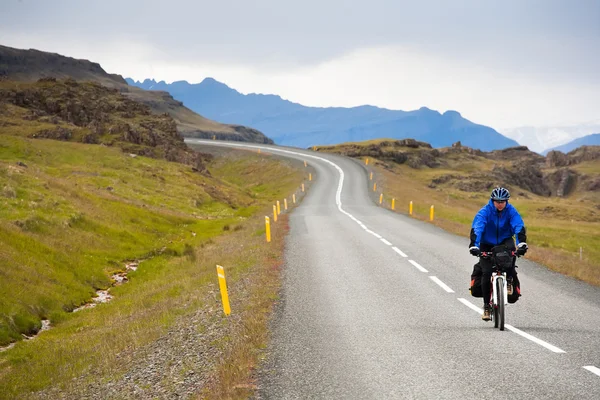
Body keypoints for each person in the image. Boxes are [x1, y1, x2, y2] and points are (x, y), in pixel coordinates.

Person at [469, 187, 528, 321]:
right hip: (486, 243)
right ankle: (486, 307)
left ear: (507, 201)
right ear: (492, 200)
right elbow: (477, 228)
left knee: (511, 261)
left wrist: (522, 244)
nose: (500, 204)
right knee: (486, 272)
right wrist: (474, 245)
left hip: (504, 241)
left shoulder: (511, 211)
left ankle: (509, 281)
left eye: (503, 201)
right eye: (497, 201)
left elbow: (518, 226)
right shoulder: (485, 212)